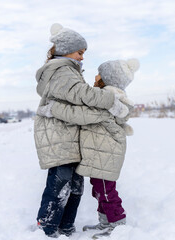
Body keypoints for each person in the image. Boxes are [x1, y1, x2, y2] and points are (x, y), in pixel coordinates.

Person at [34, 23, 130, 238]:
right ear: (66, 50)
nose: (82, 58)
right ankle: (47, 229)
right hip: (60, 137)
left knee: (76, 186)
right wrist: (109, 100)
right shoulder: (62, 71)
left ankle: (66, 226)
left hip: (70, 137)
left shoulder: (69, 71)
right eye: (80, 52)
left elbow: (81, 106)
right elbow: (81, 96)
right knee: (60, 184)